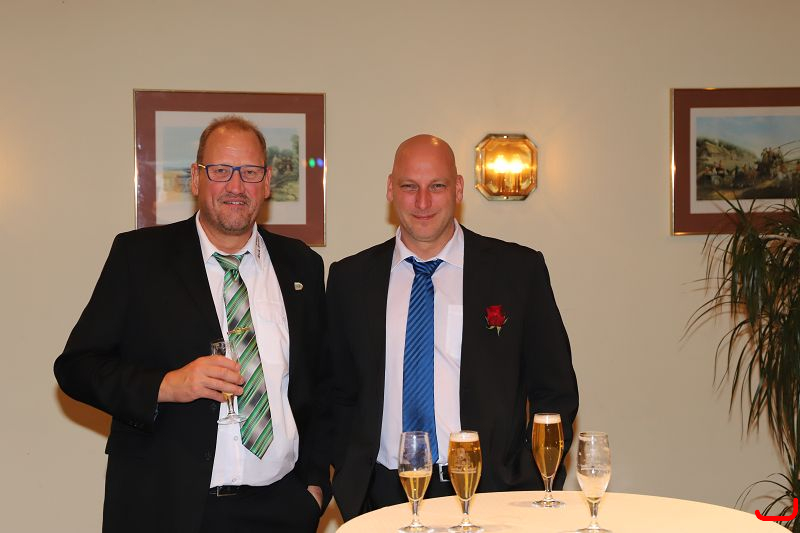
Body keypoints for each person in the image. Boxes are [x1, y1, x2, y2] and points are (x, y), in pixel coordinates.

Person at [54, 116, 329, 533]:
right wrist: (167, 385)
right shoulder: (139, 258)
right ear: (196, 179)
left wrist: (313, 487)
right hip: (167, 508)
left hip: (282, 507)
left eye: (250, 172)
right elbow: (76, 368)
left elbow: (322, 385)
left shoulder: (302, 265)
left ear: (267, 182)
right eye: (220, 171)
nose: (236, 186)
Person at [327, 134, 579, 520]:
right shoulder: (350, 279)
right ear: (390, 189)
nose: (422, 202)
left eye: (437, 186)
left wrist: (532, 478)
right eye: (409, 187)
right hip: (382, 496)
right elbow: (337, 394)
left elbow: (554, 391)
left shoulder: (518, 272)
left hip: (492, 494)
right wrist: (349, 478)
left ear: (458, 189)